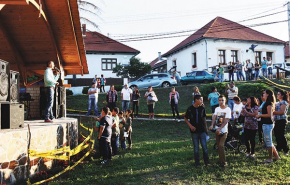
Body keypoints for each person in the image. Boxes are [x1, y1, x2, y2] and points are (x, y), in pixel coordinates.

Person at [255, 89, 280, 163]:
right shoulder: (265, 103)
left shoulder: (269, 103)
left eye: (264, 93)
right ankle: (276, 156)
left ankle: (270, 158)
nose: (263, 94)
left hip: (268, 124)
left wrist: (260, 115)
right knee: (269, 141)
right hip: (266, 124)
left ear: (268, 94)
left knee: (268, 142)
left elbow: (269, 115)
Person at [184, 95, 209, 167]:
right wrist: (190, 126)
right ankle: (197, 163)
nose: (202, 101)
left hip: (202, 130)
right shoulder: (190, 109)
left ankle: (206, 161)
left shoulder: (202, 108)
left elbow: (204, 118)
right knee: (196, 148)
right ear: (196, 100)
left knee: (204, 146)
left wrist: (206, 129)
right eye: (201, 100)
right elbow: (185, 118)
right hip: (194, 131)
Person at [209, 95, 231, 167]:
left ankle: (224, 162)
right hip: (217, 130)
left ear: (225, 101)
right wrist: (212, 125)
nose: (221, 102)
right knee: (218, 146)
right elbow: (214, 117)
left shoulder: (227, 109)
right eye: (220, 100)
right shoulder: (217, 109)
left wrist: (220, 128)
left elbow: (226, 120)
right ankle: (220, 160)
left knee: (221, 145)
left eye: (222, 100)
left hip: (224, 130)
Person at [273, 90, 289, 156]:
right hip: (277, 120)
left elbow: (282, 112)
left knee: (281, 134)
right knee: (277, 134)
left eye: (279, 94)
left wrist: (273, 112)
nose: (277, 95)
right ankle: (279, 147)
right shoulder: (277, 102)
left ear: (282, 95)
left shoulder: (284, 102)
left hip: (282, 120)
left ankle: (286, 149)